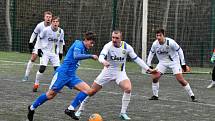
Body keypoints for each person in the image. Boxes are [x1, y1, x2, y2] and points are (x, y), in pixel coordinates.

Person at [74, 30, 157, 120]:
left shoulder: (126, 47)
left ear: (121, 39)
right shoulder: (108, 46)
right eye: (113, 37)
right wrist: (103, 61)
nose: (114, 39)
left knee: (128, 88)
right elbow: (101, 56)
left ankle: (123, 113)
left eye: (116, 38)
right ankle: (80, 110)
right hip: (107, 72)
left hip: (120, 72)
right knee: (91, 91)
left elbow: (136, 59)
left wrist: (148, 69)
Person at [27, 31, 98, 121]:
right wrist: (90, 56)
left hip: (71, 76)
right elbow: (76, 56)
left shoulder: (83, 47)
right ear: (86, 40)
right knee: (50, 95)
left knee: (89, 91)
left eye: (93, 44)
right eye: (91, 43)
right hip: (62, 74)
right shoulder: (79, 45)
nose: (91, 45)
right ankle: (32, 108)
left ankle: (70, 109)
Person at [146, 28, 197, 102]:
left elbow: (180, 50)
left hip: (174, 62)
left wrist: (183, 64)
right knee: (154, 77)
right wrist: (149, 65)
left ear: (164, 35)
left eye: (160, 35)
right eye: (157, 35)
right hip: (162, 62)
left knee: (180, 80)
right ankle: (155, 95)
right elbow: (151, 54)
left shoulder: (171, 42)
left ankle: (192, 96)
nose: (158, 37)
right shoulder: (155, 44)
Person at [32, 16, 65, 92]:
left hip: (54, 53)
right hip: (45, 52)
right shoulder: (46, 30)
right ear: (51, 22)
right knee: (42, 68)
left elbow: (61, 42)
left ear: (59, 23)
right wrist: (39, 49)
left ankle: (55, 86)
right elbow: (39, 38)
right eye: (54, 21)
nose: (55, 23)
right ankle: (36, 84)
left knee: (58, 70)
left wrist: (60, 52)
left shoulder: (61, 31)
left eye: (57, 22)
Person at [22, 11, 53, 82]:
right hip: (39, 44)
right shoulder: (40, 25)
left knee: (50, 63)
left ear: (51, 18)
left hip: (48, 47)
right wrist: (30, 42)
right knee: (33, 58)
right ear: (44, 17)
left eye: (50, 17)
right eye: (47, 17)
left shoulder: (53, 26)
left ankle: (53, 81)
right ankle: (26, 75)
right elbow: (34, 34)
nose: (48, 18)